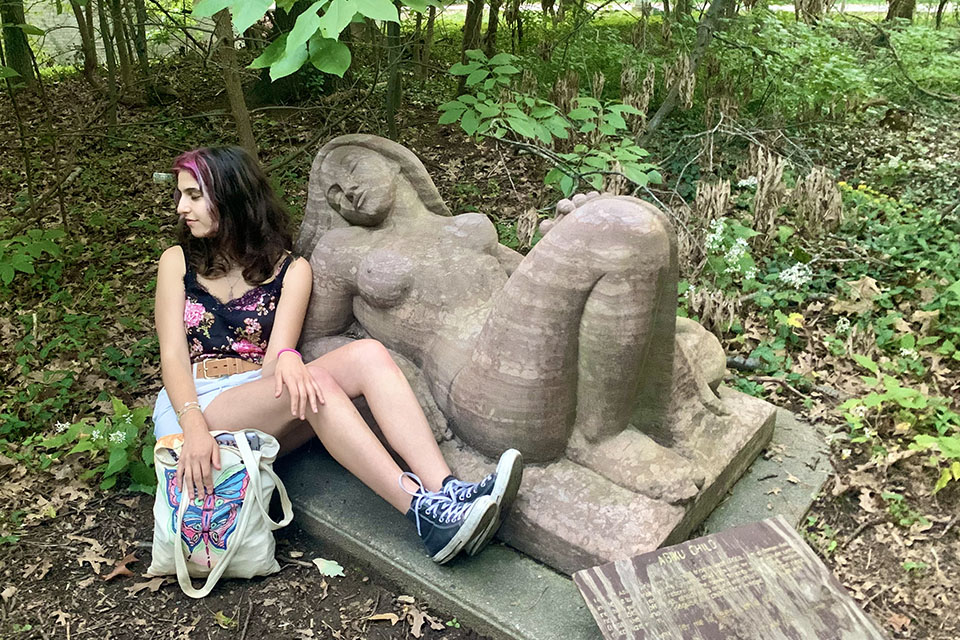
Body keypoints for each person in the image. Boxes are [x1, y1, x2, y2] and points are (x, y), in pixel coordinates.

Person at [152, 146, 523, 565]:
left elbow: (274, 362)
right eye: (181, 195)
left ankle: (443, 490)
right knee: (320, 385)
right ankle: (421, 513)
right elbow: (172, 357)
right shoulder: (177, 263)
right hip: (195, 402)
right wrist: (194, 425)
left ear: (231, 195)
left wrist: (289, 357)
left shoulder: (290, 269)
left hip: (256, 397)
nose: (182, 207)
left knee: (366, 354)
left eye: (194, 195)